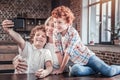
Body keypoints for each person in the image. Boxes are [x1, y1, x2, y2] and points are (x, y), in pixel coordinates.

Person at [51, 5, 120, 77]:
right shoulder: (56, 33)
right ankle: (95, 69)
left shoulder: (73, 33)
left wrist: (61, 69)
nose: (56, 25)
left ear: (68, 23)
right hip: (76, 63)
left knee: (108, 72)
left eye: (59, 22)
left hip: (88, 58)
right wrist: (62, 69)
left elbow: (68, 52)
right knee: (75, 70)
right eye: (55, 22)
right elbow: (58, 51)